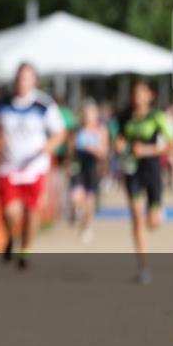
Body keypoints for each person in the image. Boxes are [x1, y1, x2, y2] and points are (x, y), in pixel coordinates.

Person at [0, 63, 67, 270]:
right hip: (9, 166)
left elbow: (59, 133)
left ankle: (25, 249)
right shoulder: (2, 103)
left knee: (32, 210)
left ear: (34, 81)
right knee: (10, 211)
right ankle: (10, 237)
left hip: (34, 167)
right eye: (19, 77)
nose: (22, 81)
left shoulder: (44, 104)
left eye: (27, 77)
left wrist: (47, 148)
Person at [114, 80, 173, 284]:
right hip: (132, 171)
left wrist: (148, 150)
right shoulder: (125, 116)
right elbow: (119, 139)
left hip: (152, 170)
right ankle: (143, 266)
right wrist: (120, 145)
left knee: (152, 222)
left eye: (142, 93)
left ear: (151, 95)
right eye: (134, 93)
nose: (137, 98)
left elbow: (171, 146)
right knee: (136, 217)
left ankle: (157, 212)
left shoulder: (157, 117)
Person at [67, 99, 109, 243]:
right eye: (85, 114)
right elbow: (70, 151)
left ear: (95, 115)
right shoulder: (77, 130)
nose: (87, 117)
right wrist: (68, 163)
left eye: (90, 114)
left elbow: (104, 152)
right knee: (75, 196)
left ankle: (86, 226)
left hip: (93, 168)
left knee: (89, 200)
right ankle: (74, 212)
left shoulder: (101, 130)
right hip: (79, 167)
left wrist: (92, 150)